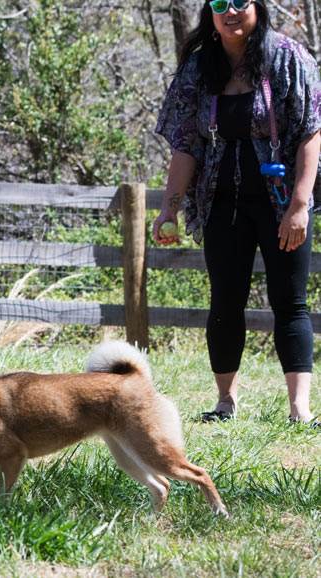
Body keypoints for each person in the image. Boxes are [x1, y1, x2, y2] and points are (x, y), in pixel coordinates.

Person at [154, 0, 321, 425]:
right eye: (218, 3)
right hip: (221, 204)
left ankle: (299, 408)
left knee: (290, 302)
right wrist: (169, 209)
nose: (230, 11)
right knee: (225, 302)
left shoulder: (287, 57)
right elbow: (186, 146)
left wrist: (300, 205)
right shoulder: (198, 69)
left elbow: (310, 132)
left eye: (239, 2)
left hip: (281, 202)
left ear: (257, 7)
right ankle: (225, 400)